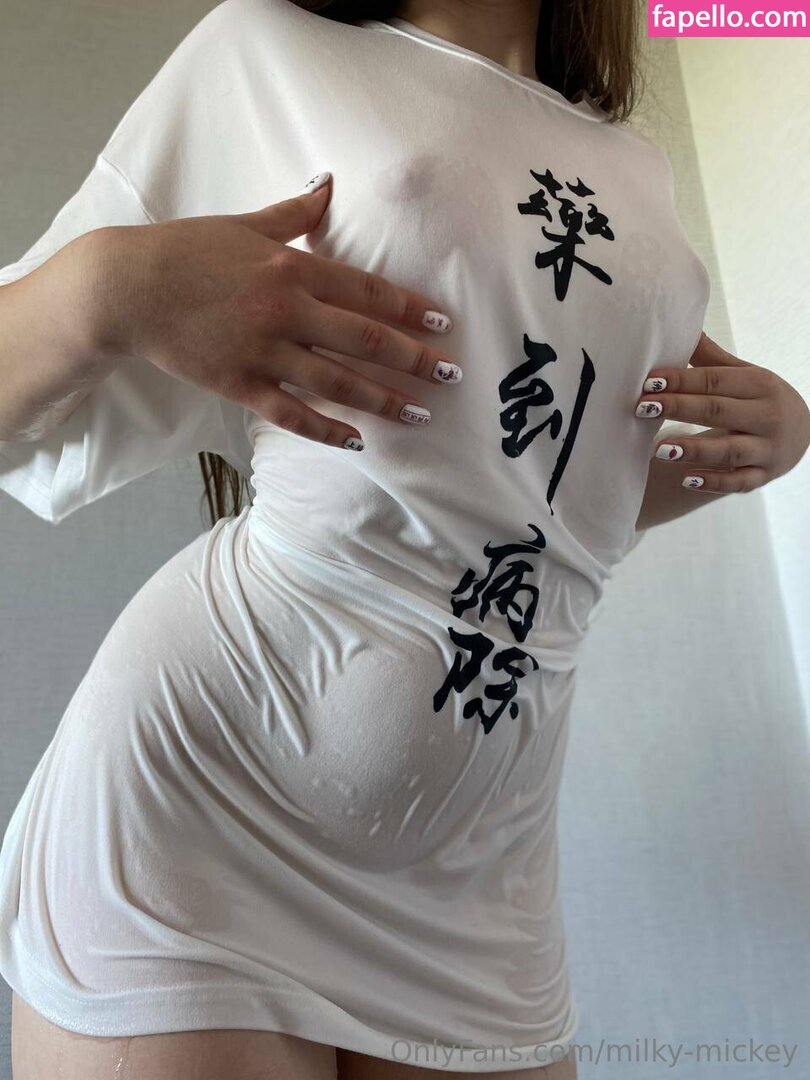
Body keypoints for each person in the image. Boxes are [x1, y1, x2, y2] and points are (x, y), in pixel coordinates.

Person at [0, 0, 715, 1076]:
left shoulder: (635, 172)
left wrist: (744, 450)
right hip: (211, 798)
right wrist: (106, 288)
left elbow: (532, 503)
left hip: (485, 867)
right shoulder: (265, 49)